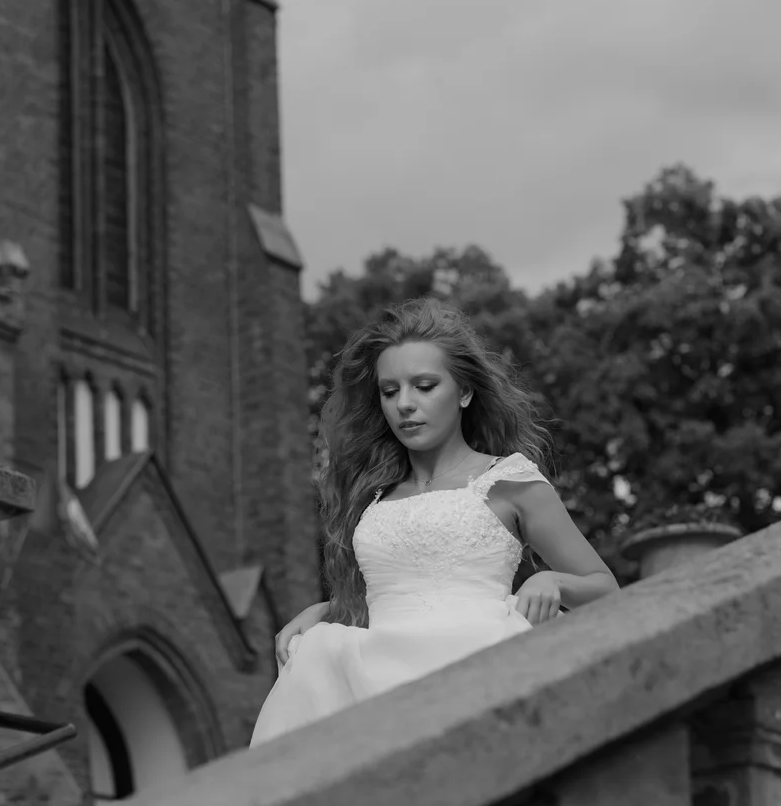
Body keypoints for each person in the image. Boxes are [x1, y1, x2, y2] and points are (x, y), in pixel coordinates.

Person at [251, 298, 617, 744]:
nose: (405, 404)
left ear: (464, 392)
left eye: (424, 386)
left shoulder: (509, 481)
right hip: (377, 686)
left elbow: (606, 589)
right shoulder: (372, 496)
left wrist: (556, 583)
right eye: (390, 391)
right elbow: (398, 592)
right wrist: (328, 610)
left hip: (484, 670)